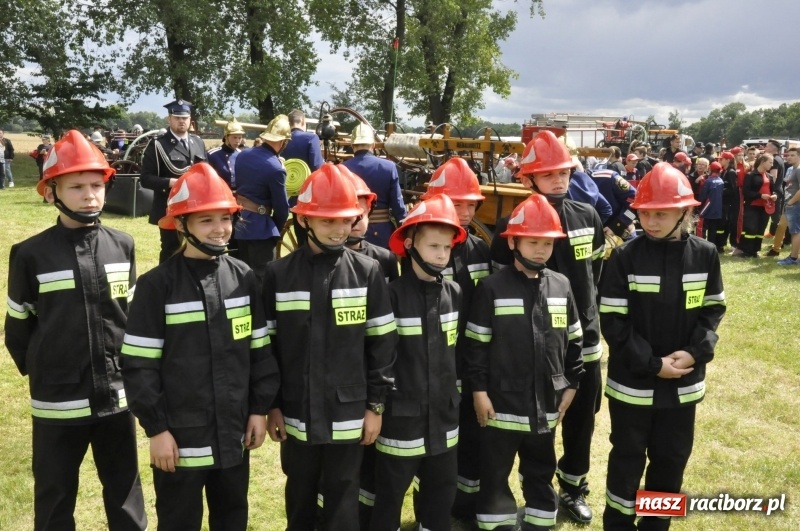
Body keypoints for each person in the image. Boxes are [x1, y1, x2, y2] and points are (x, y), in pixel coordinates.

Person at [120, 163, 280, 531]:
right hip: (179, 436)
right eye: (206, 220)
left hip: (234, 431)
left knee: (232, 514)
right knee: (179, 519)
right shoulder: (156, 286)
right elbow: (139, 366)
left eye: (225, 218)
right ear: (180, 225)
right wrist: (157, 430)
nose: (220, 229)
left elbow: (260, 352)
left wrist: (258, 409)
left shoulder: (242, 278)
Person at [5, 130, 147, 531]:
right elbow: (18, 329)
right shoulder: (30, 254)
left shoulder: (123, 245)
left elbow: (129, 318)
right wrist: (48, 369)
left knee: (124, 491)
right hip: (57, 399)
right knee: (55, 493)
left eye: (96, 186)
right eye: (77, 187)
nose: (90, 195)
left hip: (116, 397)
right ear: (51, 192)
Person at [263, 163, 398, 530]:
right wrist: (272, 406)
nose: (339, 230)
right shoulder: (278, 275)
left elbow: (382, 346)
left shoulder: (368, 272)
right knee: (300, 489)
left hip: (350, 411)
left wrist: (375, 406)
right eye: (327, 222)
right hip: (296, 409)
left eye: (345, 220)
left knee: (343, 490)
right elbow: (268, 350)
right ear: (304, 221)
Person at [599, 162, 726, 530]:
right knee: (627, 459)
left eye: (661, 213)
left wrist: (695, 352)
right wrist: (654, 364)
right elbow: (613, 322)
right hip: (632, 387)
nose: (650, 221)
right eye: (645, 213)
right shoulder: (624, 257)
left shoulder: (705, 255)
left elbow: (713, 309)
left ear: (685, 212)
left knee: (671, 460)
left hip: (683, 386)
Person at [490, 131, 604, 524]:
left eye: (564, 172)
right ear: (528, 179)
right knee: (531, 424)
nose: (558, 179)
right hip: (530, 350)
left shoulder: (588, 216)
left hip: (581, 340)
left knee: (580, 421)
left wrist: (588, 319)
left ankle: (573, 488)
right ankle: (522, 490)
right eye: (548, 173)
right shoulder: (511, 225)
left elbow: (595, 272)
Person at [466, 194, 584, 531]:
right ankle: (496, 523)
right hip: (500, 404)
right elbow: (476, 346)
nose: (540, 250)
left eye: (547, 243)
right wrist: (479, 392)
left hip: (546, 402)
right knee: (495, 471)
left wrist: (572, 384)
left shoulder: (562, 285)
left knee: (540, 468)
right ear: (514, 241)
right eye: (533, 242)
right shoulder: (492, 288)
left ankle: (540, 519)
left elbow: (575, 341)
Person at [368, 194, 466, 531]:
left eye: (447, 247)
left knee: (441, 492)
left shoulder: (454, 294)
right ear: (409, 245)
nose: (441, 254)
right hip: (401, 420)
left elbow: (459, 355)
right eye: (433, 246)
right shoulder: (390, 295)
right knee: (391, 494)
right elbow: (379, 357)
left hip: (444, 418)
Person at [414, 157, 493, 520]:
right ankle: (430, 507)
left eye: (469, 204)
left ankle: (465, 506)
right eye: (456, 202)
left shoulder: (481, 251)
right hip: (428, 366)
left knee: (473, 441)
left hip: (471, 363)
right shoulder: (417, 252)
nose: (463, 211)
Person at [140, 99, 208, 263]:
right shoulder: (158, 145)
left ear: (190, 119)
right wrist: (171, 182)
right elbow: (146, 179)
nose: (181, 121)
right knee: (171, 250)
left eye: (185, 117)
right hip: (170, 207)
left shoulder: (197, 142)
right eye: (177, 117)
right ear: (169, 119)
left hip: (194, 207)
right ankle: (166, 285)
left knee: (196, 247)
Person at [233, 115, 292, 283]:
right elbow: (282, 209)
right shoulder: (275, 168)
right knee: (263, 281)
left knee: (242, 277)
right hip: (261, 230)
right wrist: (275, 227)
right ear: (283, 142)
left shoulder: (243, 155)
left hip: (240, 222)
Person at [343, 122, 407, 249]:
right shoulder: (389, 167)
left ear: (352, 145)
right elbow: (398, 206)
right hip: (381, 233)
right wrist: (405, 232)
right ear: (373, 145)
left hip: (351, 229)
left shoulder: (342, 168)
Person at [339, 164, 400, 282]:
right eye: (347, 218)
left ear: (369, 212)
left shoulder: (385, 259)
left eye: (360, 216)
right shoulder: (323, 262)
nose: (355, 223)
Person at [283, 109, 325, 247]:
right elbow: (317, 166)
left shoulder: (282, 140)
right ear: (303, 121)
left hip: (289, 195)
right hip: (310, 197)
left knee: (301, 239)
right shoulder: (311, 138)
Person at [735, 153, 777, 258]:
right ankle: (746, 251)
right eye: (770, 162)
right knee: (751, 229)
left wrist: (774, 196)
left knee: (760, 229)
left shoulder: (769, 176)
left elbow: (773, 190)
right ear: (762, 162)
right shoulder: (750, 175)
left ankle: (755, 251)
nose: (771, 165)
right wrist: (760, 195)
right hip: (753, 206)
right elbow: (746, 191)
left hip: (765, 207)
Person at [777, 147, 800, 265]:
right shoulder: (792, 169)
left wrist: (791, 202)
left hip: (795, 204)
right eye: (788, 155)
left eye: (793, 155)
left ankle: (793, 258)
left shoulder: (799, 170)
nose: (789, 157)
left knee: (795, 231)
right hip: (790, 203)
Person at [208, 118, 245, 190]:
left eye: (239, 138)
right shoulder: (212, 155)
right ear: (226, 137)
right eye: (234, 137)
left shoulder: (242, 154)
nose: (237, 141)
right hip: (219, 194)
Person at [698, 161, 725, 252]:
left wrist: (698, 204)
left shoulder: (708, 181)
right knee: (713, 230)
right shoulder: (721, 181)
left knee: (703, 227)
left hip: (707, 208)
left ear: (710, 169)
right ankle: (711, 247)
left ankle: (702, 247)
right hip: (717, 209)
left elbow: (703, 196)